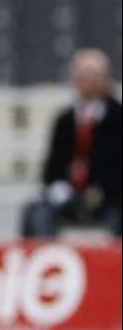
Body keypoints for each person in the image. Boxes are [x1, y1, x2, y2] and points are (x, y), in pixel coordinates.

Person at [20, 48, 123, 238]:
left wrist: (100, 192)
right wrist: (59, 187)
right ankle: (43, 262)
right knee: (36, 212)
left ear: (107, 79)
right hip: (70, 196)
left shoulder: (118, 117)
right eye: (84, 76)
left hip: (110, 198)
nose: (90, 82)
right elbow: (52, 166)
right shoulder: (65, 120)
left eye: (95, 76)